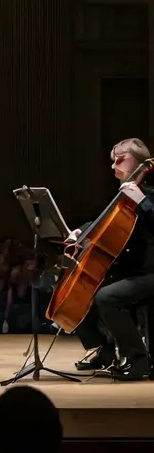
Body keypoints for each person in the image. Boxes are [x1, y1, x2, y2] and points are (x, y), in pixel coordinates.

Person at [64, 137, 154, 380]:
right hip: (129, 271)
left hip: (149, 273)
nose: (114, 164)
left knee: (107, 297)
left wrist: (143, 201)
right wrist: (82, 231)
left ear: (139, 162)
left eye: (120, 158)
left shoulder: (148, 195)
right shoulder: (123, 197)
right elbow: (104, 223)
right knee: (79, 290)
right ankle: (103, 350)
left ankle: (137, 358)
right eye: (112, 159)